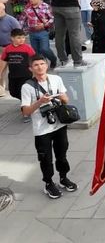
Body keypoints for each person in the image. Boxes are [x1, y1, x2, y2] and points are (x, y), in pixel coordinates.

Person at [21, 54, 77, 199]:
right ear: (30, 68)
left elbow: (65, 99)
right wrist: (39, 102)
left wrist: (61, 97)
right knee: (45, 159)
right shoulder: (27, 87)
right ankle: (48, 183)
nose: (40, 67)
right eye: (36, 65)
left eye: (42, 64)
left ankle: (64, 178)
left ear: (47, 65)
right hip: (41, 130)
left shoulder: (56, 79)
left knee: (62, 155)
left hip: (59, 125)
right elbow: (26, 112)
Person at [21, 0, 56, 68]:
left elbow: (52, 18)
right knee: (36, 52)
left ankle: (53, 59)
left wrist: (44, 25)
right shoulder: (27, 7)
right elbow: (22, 19)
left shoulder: (45, 6)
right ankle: (42, 65)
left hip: (43, 32)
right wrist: (20, 30)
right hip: (32, 32)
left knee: (44, 49)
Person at [0, 28, 35, 102]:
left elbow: (34, 60)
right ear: (12, 38)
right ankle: (26, 101)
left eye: (23, 37)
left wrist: (35, 71)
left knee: (22, 90)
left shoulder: (28, 48)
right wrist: (0, 72)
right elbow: (3, 61)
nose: (22, 39)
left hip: (26, 74)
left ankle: (26, 104)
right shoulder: (7, 49)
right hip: (13, 75)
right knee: (13, 92)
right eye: (18, 38)